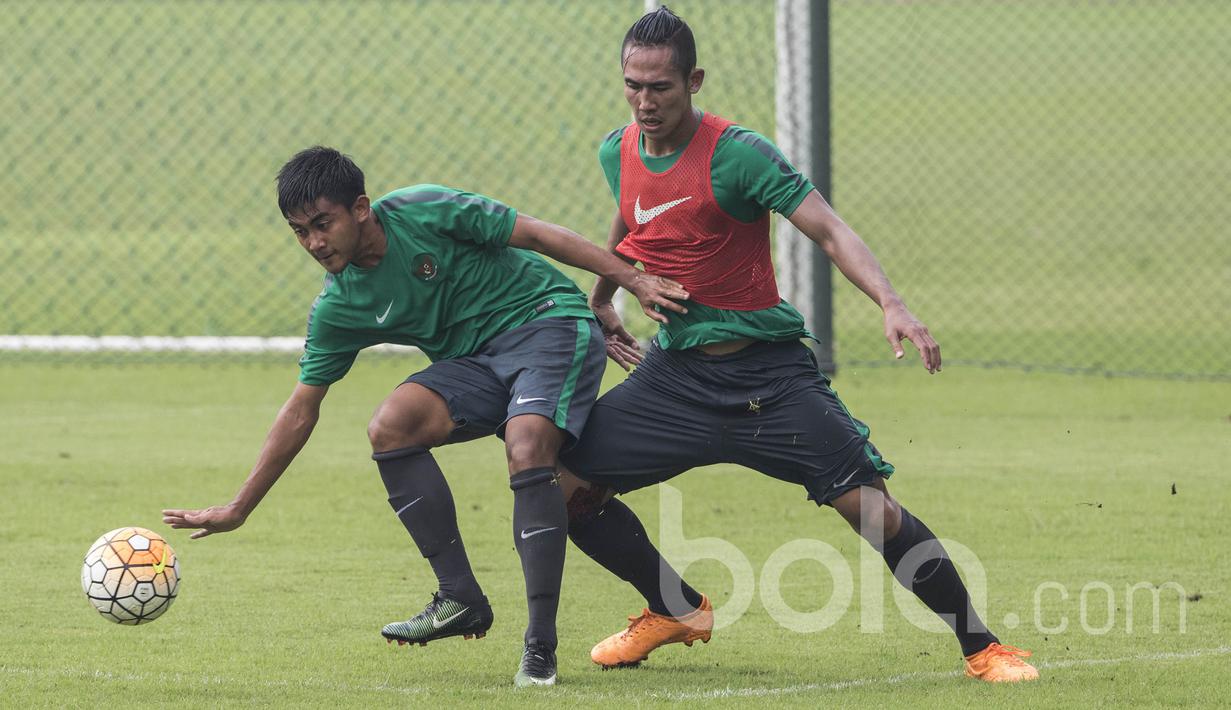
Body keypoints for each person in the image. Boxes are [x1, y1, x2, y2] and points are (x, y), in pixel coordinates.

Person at [556, 6, 1039, 683]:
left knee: (869, 509)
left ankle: (981, 647)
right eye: (631, 85)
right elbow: (630, 213)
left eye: (659, 86)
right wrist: (606, 295)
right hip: (675, 381)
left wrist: (892, 303)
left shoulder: (738, 155)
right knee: (559, 482)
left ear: (692, 81)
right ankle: (673, 608)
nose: (643, 101)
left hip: (768, 381)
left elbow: (831, 231)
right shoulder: (619, 148)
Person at [162, 145, 688, 687]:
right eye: (300, 232)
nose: (315, 243)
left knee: (529, 450)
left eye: (323, 224)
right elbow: (301, 409)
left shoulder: (423, 210)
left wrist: (632, 281)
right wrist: (239, 507)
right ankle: (460, 596)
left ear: (361, 208)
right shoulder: (339, 305)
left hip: (547, 321)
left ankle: (539, 647)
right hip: (476, 365)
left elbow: (534, 234)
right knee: (390, 426)